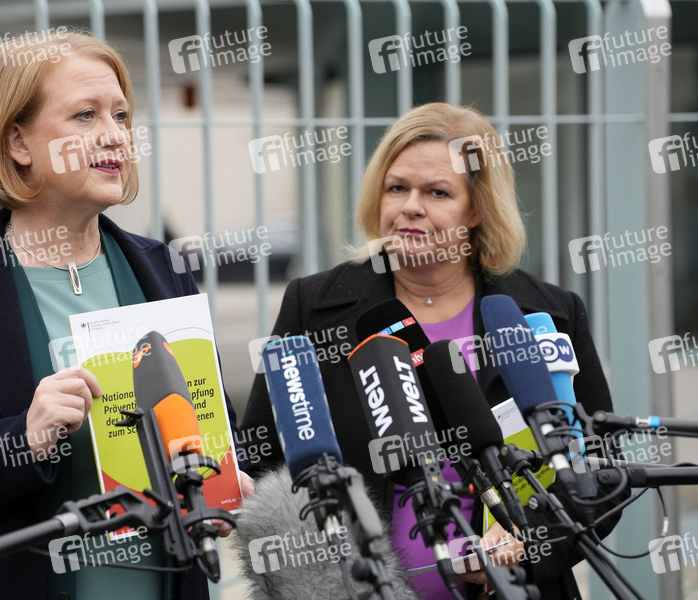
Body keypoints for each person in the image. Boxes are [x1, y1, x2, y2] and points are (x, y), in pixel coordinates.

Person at [0, 31, 248, 600]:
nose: (115, 135)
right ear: (18, 142)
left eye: (121, 115)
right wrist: (21, 442)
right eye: (85, 115)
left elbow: (212, 429)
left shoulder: (163, 269)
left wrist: (227, 480)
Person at [240, 102, 621, 599]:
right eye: (396, 188)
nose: (410, 207)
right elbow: (261, 454)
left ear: (477, 208)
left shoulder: (546, 312)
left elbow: (602, 473)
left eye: (437, 192)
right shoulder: (313, 306)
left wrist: (531, 543)